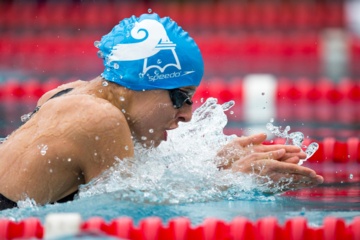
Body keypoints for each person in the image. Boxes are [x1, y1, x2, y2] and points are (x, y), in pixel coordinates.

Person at [0, 13, 323, 211]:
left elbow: (127, 185)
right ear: (143, 83)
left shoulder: (69, 94)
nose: (187, 115)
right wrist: (232, 184)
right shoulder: (99, 118)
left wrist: (215, 167)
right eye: (181, 97)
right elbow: (126, 211)